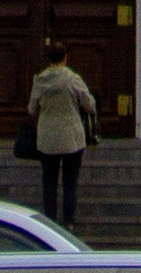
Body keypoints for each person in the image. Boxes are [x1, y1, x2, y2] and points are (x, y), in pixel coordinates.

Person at [27, 43, 97, 228]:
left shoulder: (40, 81)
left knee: (49, 181)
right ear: (65, 57)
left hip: (47, 138)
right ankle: (69, 223)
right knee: (70, 181)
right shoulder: (73, 79)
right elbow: (89, 104)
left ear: (48, 58)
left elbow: (32, 109)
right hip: (72, 137)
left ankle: (50, 222)